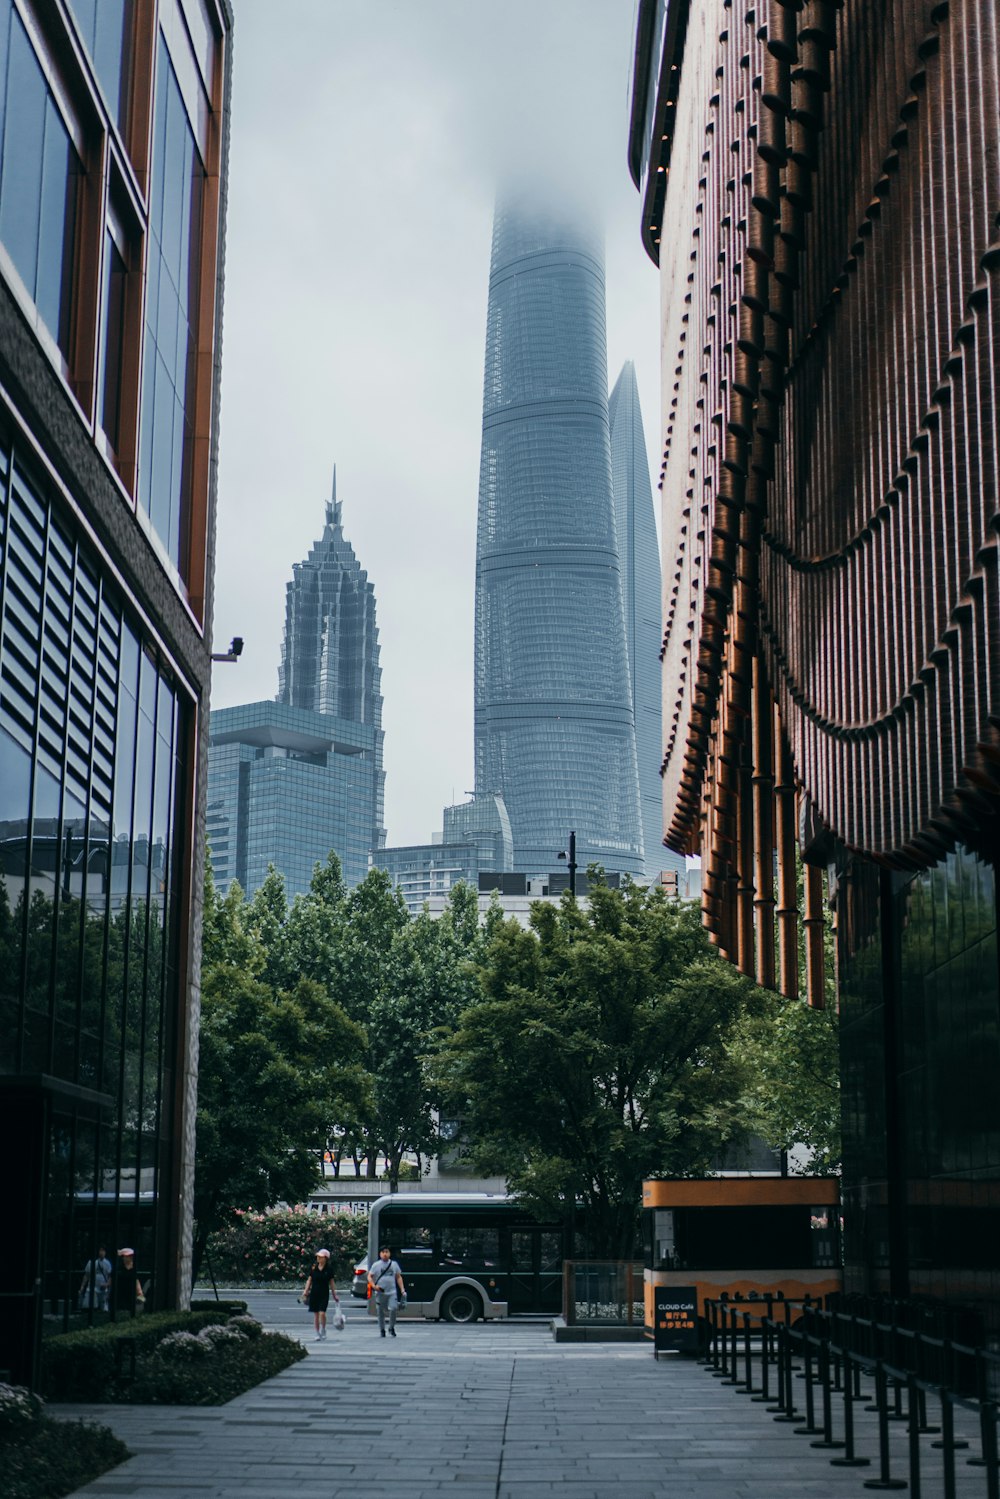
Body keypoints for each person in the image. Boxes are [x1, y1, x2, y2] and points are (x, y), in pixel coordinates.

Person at [367, 1245, 405, 1338]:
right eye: (383, 1252)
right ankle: (382, 1329)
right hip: (380, 1292)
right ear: (380, 1254)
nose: (385, 1254)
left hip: (392, 1292)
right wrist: (374, 1286)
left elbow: (398, 1277)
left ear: (389, 1253)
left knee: (393, 1309)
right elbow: (369, 1276)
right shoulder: (376, 1265)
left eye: (387, 1252)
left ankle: (391, 1327)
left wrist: (402, 1290)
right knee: (380, 1312)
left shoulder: (394, 1264)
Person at [303, 1248, 339, 1341]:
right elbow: (309, 1280)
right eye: (318, 1256)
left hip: (324, 1293)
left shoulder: (329, 1269)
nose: (318, 1258)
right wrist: (306, 1290)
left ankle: (323, 1329)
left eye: (321, 1257)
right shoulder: (314, 1267)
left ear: (326, 1258)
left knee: (322, 1313)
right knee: (316, 1314)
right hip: (314, 1293)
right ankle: (317, 1332)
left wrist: (334, 1294)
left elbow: (331, 1282)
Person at [110, 1248, 145, 1316]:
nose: (130, 1257)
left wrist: (140, 1295)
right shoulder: (118, 1269)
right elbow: (111, 1281)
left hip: (130, 1296)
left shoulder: (134, 1269)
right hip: (119, 1295)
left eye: (131, 1256)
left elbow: (137, 1283)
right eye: (127, 1256)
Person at [78, 1246, 112, 1311]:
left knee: (103, 1309)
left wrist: (107, 1284)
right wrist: (82, 1287)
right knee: (90, 1307)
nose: (102, 1252)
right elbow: (86, 1276)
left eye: (103, 1251)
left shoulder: (107, 1263)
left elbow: (110, 1276)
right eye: (100, 1250)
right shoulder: (91, 1262)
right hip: (92, 1288)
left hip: (103, 1290)